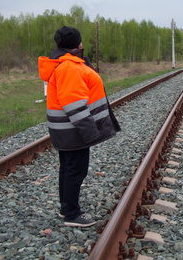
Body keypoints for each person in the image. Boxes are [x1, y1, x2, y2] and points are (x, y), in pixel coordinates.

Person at [38, 26, 120, 227]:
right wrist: (90, 132)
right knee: (76, 170)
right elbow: (74, 105)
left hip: (65, 130)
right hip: (72, 131)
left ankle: (66, 209)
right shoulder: (70, 68)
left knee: (68, 169)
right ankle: (72, 214)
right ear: (78, 44)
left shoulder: (65, 64)